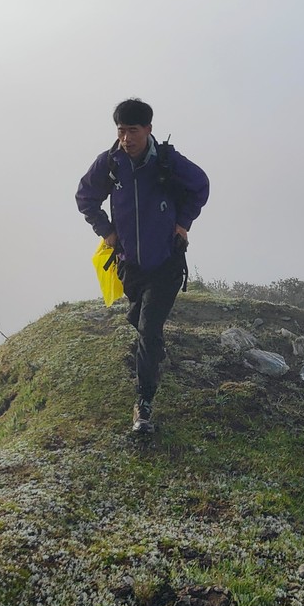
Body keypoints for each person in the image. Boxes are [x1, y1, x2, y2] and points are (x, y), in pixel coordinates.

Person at [76, 99, 209, 433]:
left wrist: (183, 223)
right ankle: (154, 356)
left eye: (132, 131)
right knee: (140, 321)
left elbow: (200, 186)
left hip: (165, 263)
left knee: (149, 329)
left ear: (148, 129)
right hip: (130, 266)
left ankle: (144, 406)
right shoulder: (110, 164)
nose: (126, 139)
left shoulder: (166, 161)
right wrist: (106, 231)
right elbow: (85, 198)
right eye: (121, 131)